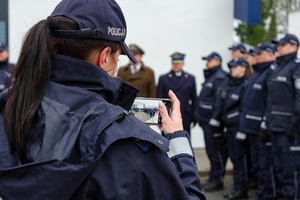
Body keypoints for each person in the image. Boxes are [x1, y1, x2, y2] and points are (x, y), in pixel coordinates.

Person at [0, 0, 206, 199]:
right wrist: (178, 141)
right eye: (118, 56)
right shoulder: (130, 145)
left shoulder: (8, 107)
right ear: (105, 56)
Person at [237, 42, 276, 200]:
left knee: (265, 165)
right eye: (256, 54)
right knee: (257, 165)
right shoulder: (257, 73)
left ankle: (268, 194)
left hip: (262, 129)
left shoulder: (270, 72)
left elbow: (270, 101)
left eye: (259, 54)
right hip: (251, 128)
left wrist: (265, 124)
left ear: (270, 54)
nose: (256, 57)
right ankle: (262, 192)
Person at [209, 58, 249, 199]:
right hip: (229, 128)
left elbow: (245, 109)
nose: (231, 68)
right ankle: (237, 187)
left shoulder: (245, 85)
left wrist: (242, 130)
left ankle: (241, 189)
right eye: (231, 66)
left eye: (235, 66)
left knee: (239, 160)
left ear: (243, 68)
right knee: (234, 158)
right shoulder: (231, 84)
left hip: (238, 128)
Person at [267, 33, 300, 199]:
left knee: (291, 173)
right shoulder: (277, 69)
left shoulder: (297, 67)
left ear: (294, 47)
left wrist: (295, 125)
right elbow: (271, 101)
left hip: (290, 131)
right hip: (275, 129)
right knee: (279, 170)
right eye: (278, 44)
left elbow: (299, 99)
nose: (278, 47)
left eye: (282, 44)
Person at [194, 52, 228, 192]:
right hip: (206, 121)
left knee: (216, 152)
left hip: (213, 124)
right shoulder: (212, 76)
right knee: (211, 151)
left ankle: (218, 180)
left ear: (217, 61)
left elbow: (219, 102)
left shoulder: (220, 77)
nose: (206, 63)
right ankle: (214, 177)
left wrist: (215, 119)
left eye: (209, 61)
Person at [157, 52, 197, 135]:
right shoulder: (163, 78)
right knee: (167, 139)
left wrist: (194, 115)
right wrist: (159, 117)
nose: (176, 65)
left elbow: (194, 98)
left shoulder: (190, 78)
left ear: (183, 64)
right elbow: (160, 98)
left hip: (184, 115)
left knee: (184, 138)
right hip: (169, 115)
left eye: (178, 63)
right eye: (174, 63)